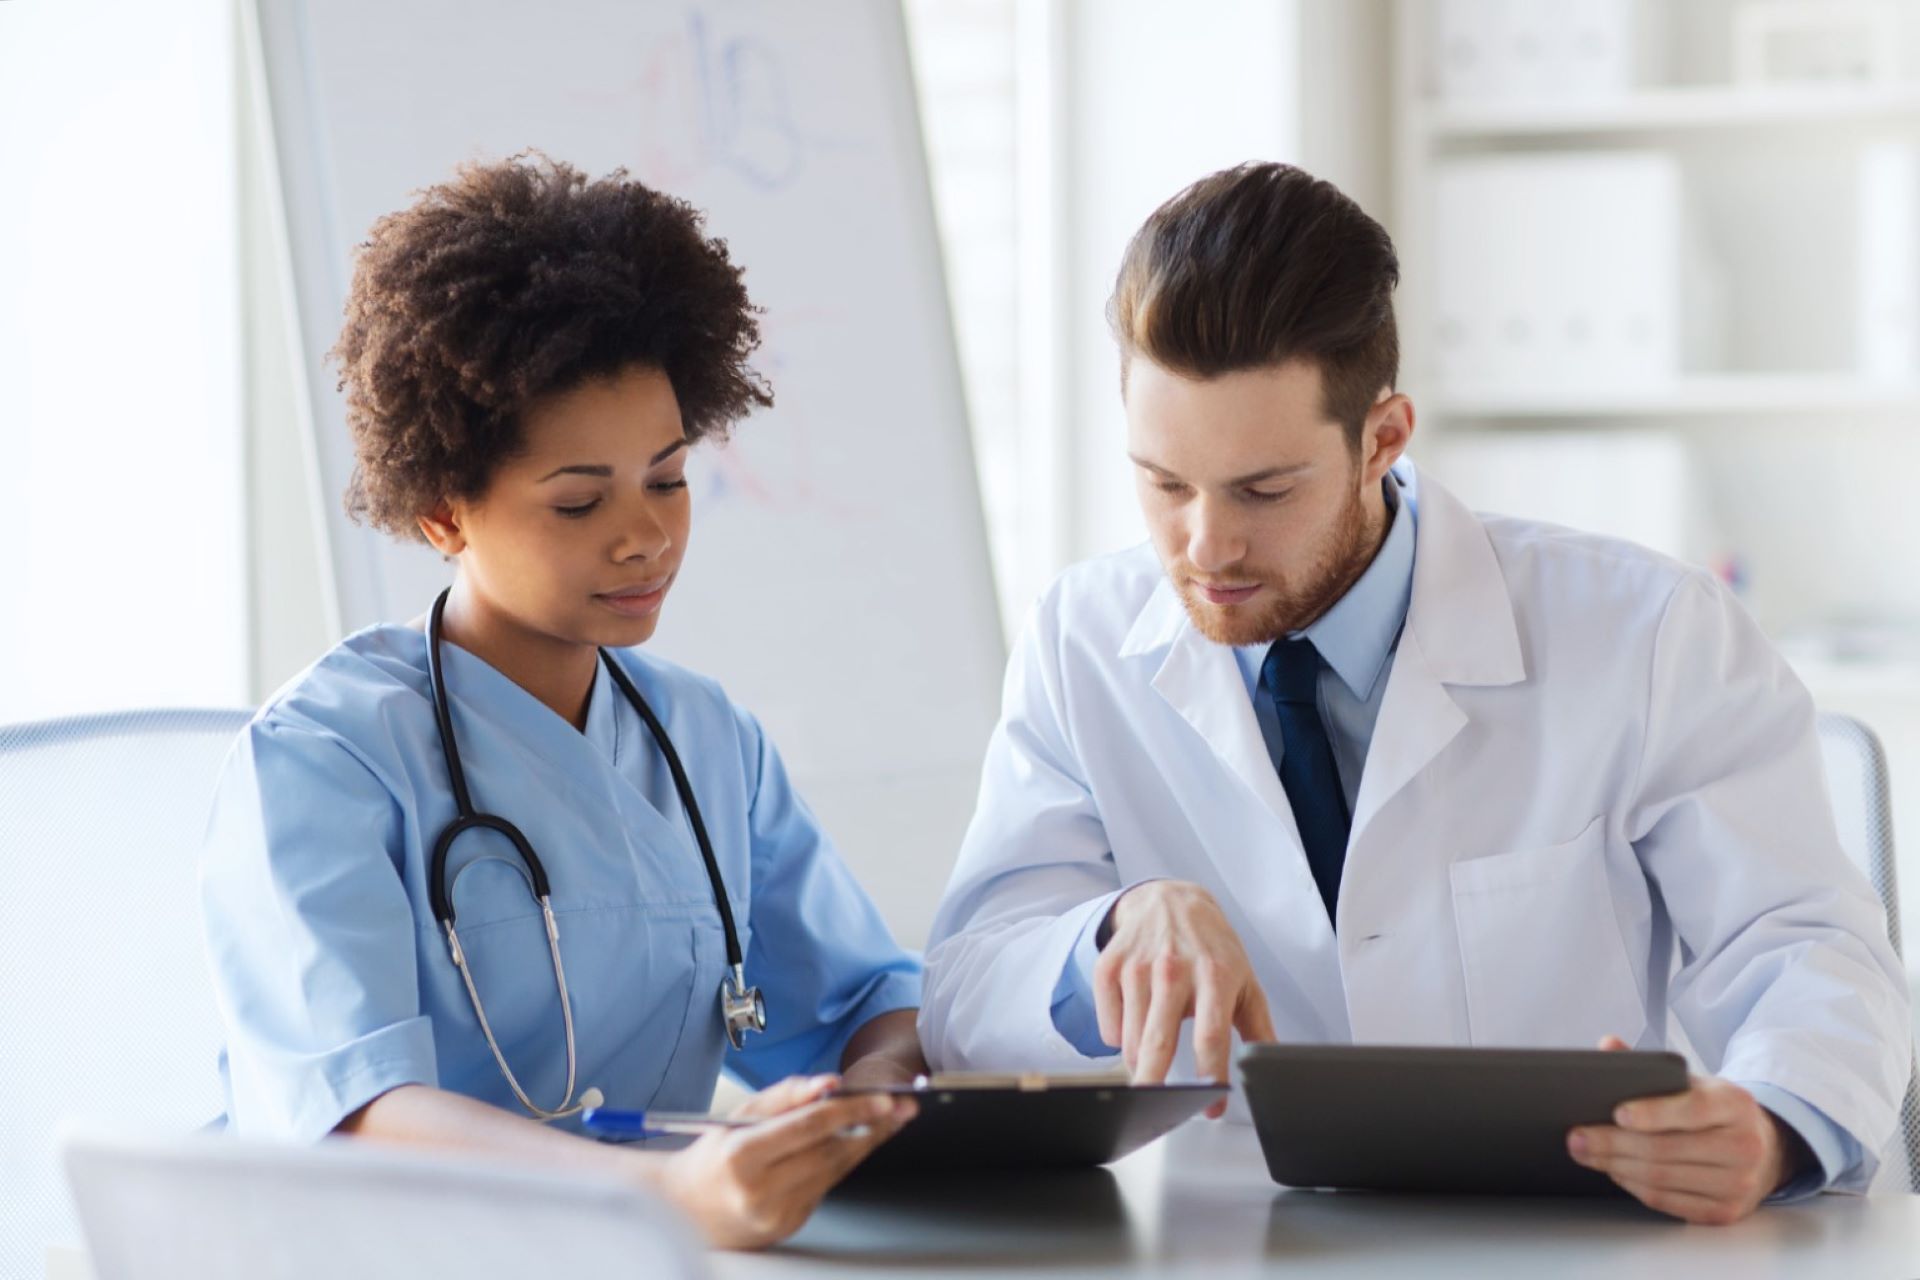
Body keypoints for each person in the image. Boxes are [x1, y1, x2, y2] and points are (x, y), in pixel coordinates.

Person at [918, 162, 1913, 1224]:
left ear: (1382, 438)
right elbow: (966, 990)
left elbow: (1805, 945)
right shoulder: (1083, 642)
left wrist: (1770, 1124)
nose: (1205, 546)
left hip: (1567, 1235)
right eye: (1164, 483)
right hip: (1238, 1237)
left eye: (1263, 489)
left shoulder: (1648, 632)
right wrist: (1110, 935)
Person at [200, 154, 923, 1251]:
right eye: (580, 499)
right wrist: (663, 1193)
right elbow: (355, 1112)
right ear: (445, 512)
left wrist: (865, 1103)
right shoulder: (324, 758)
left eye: (669, 478)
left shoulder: (708, 739)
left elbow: (869, 1003)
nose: (646, 536)